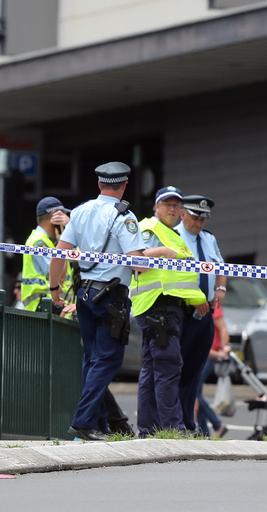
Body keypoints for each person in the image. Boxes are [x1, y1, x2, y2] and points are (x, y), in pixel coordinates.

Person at [48, 162, 176, 441]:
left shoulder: (79, 212)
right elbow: (138, 263)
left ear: (99, 184)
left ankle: (98, 423)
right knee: (107, 360)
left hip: (84, 294)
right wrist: (162, 251)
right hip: (111, 298)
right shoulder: (124, 217)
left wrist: (55, 289)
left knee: (92, 359)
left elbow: (60, 254)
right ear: (124, 185)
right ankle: (84, 422)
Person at [132, 185, 207, 435]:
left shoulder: (172, 234)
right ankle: (172, 427)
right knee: (168, 366)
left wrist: (197, 298)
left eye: (176, 205)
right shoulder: (149, 229)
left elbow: (182, 277)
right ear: (156, 206)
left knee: (153, 370)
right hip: (158, 306)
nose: (173, 209)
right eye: (168, 204)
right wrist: (163, 252)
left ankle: (148, 429)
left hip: (167, 308)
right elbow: (136, 262)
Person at [176, 194, 227, 432]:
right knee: (177, 368)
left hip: (206, 311)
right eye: (195, 218)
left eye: (203, 220)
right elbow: (176, 277)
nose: (199, 224)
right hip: (183, 310)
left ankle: (188, 422)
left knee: (195, 371)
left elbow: (220, 266)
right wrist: (194, 299)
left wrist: (220, 288)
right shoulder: (175, 237)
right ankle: (173, 420)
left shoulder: (208, 239)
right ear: (183, 213)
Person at [18, 197, 70, 311]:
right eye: (63, 216)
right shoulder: (39, 243)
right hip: (44, 308)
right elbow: (58, 275)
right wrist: (66, 236)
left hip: (51, 308)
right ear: (55, 216)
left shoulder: (50, 243)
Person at [195, 302, 230, 438]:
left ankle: (217, 424)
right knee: (196, 393)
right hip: (206, 353)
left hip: (210, 354)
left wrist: (223, 348)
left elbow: (222, 328)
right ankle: (204, 433)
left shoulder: (212, 303)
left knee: (194, 393)